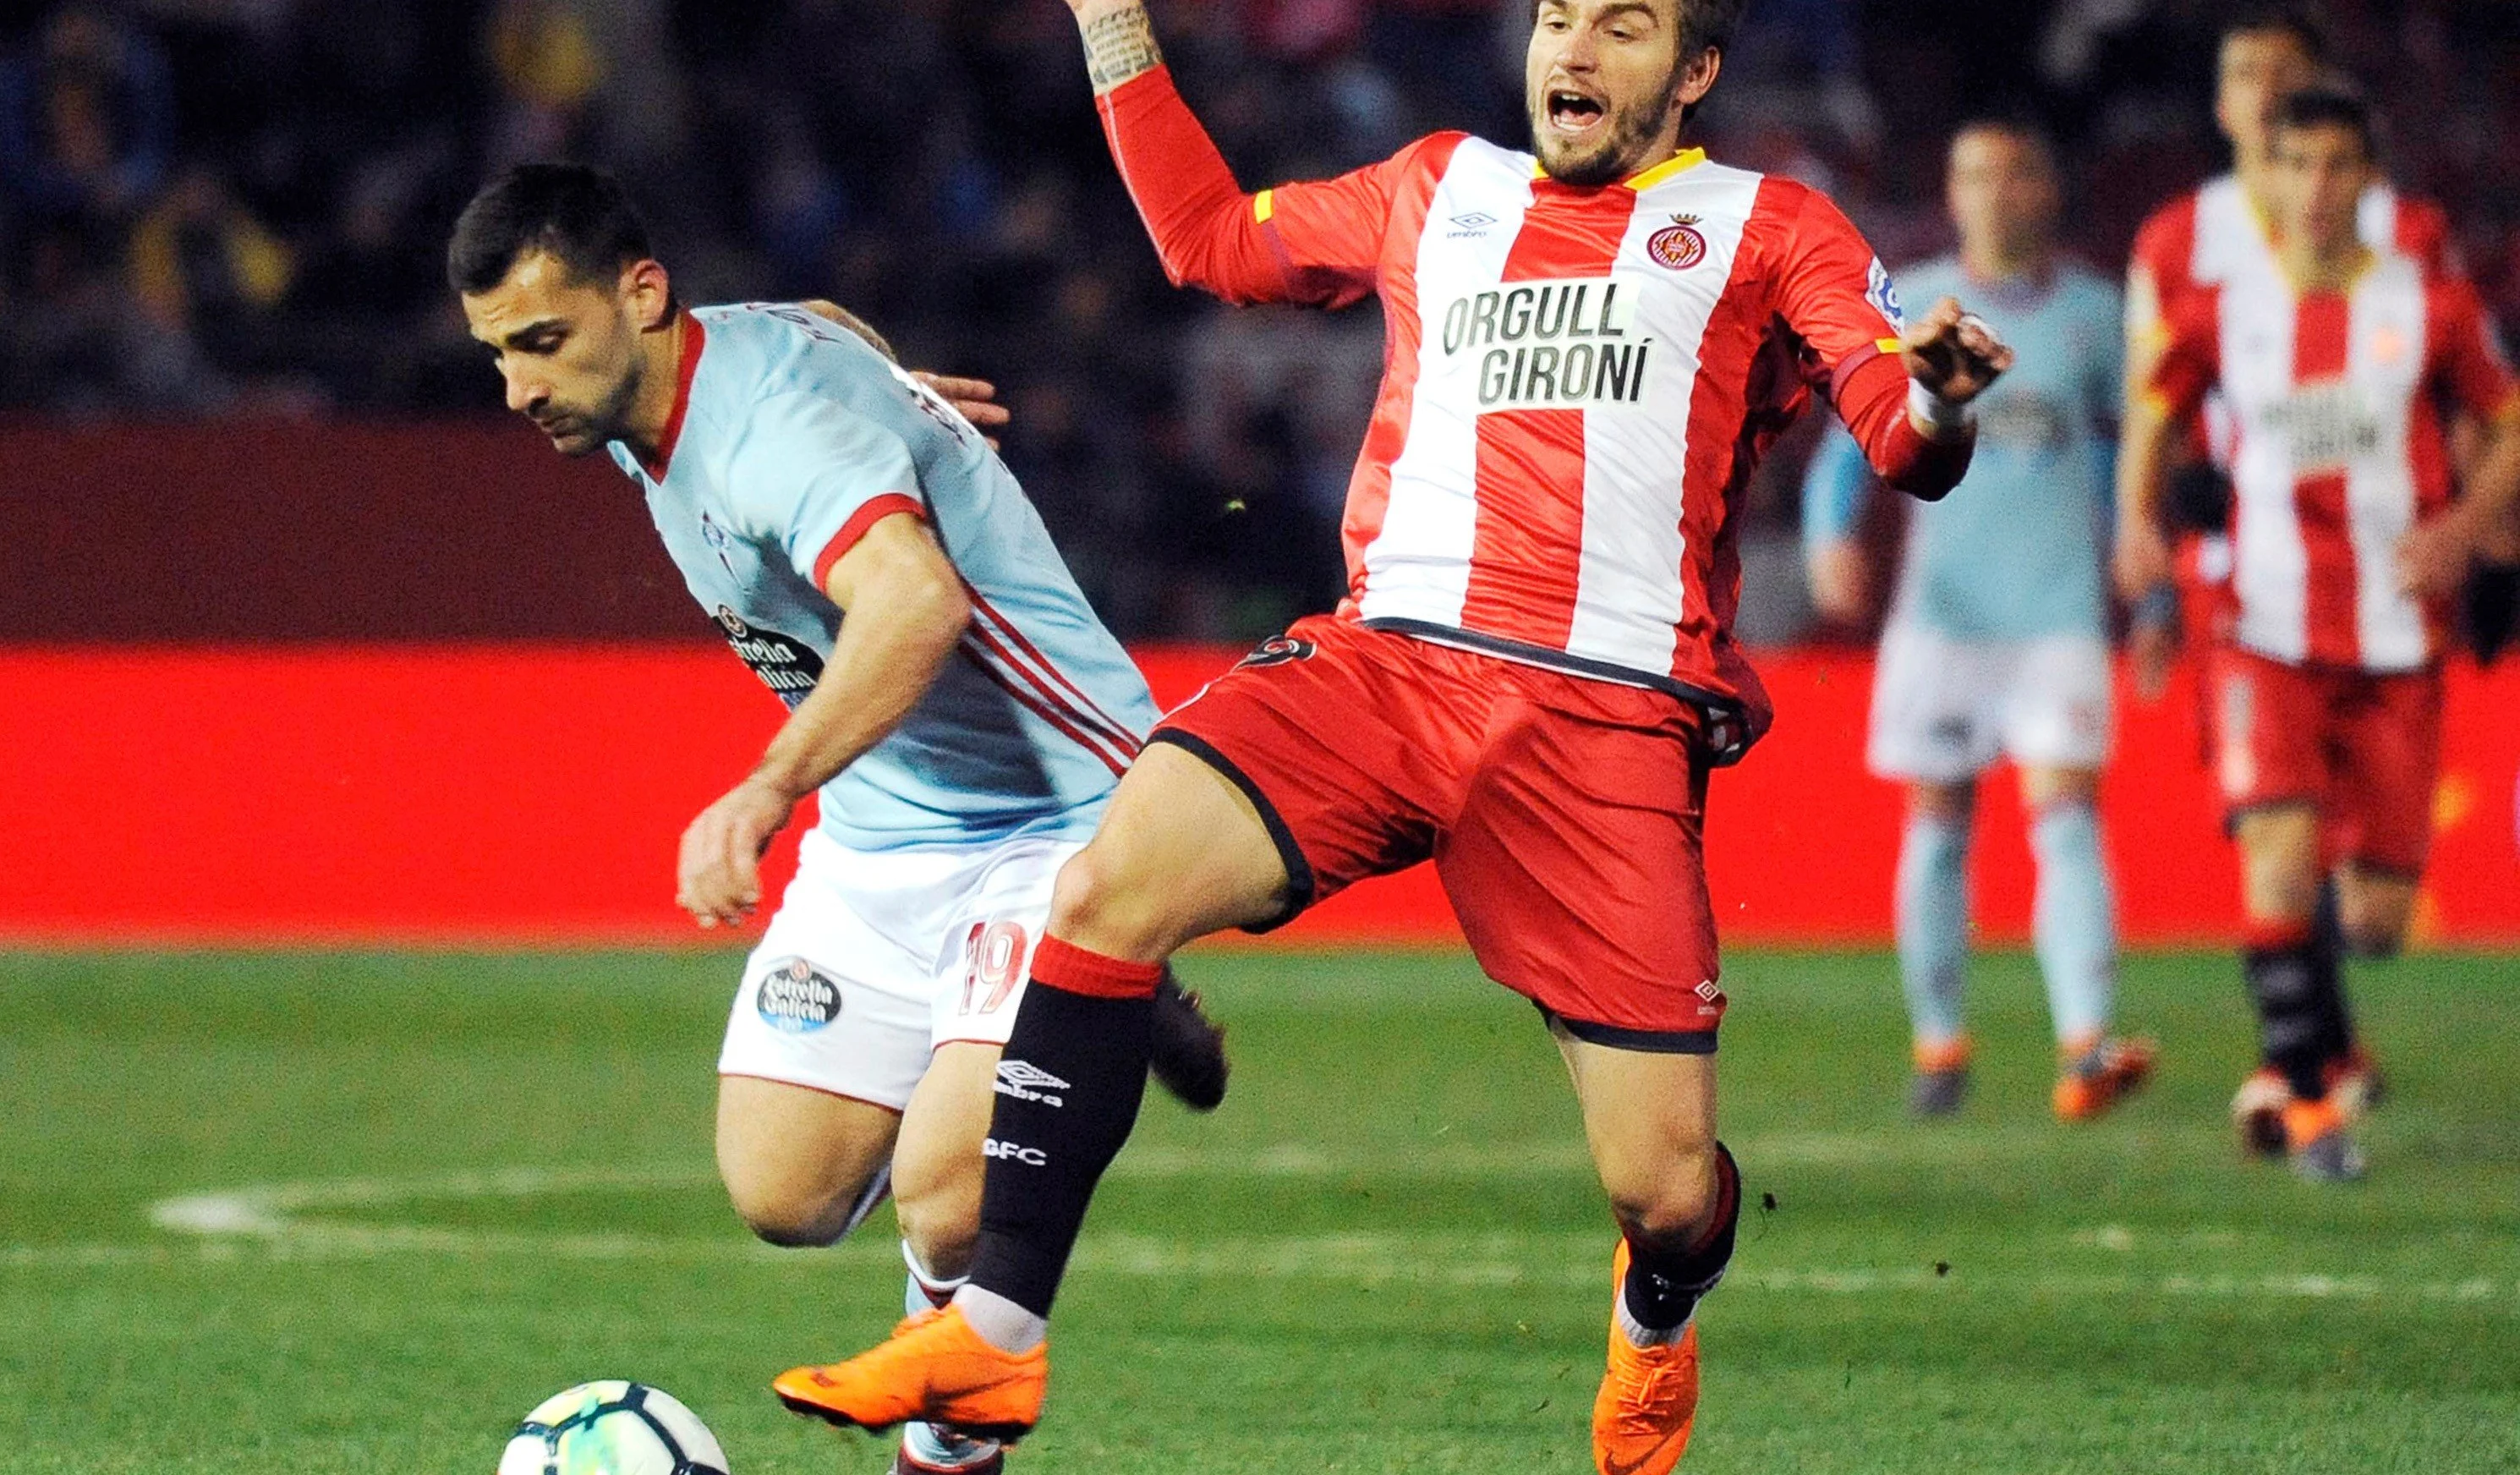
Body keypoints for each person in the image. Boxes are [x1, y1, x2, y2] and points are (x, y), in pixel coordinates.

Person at [773, 3, 2011, 1471]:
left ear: (1694, 74)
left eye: (1624, 27)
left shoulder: (1772, 222)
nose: (1576, 48)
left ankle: (1659, 1311)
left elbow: (1897, 432)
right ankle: (994, 1336)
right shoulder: (1438, 186)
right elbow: (1212, 242)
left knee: (1665, 1187)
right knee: (1103, 887)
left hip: (1601, 722)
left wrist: (1932, 390)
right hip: (1386, 664)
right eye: (1559, 15)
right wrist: (1114, 27)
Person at [447, 162, 1231, 1475]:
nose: (519, 389)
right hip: (887, 832)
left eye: (543, 343)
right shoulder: (685, 378)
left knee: (950, 1186)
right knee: (783, 1192)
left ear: (641, 296)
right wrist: (896, 405)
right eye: (498, 356)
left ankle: (945, 1441)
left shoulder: (771, 437)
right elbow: (807, 322)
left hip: (1056, 816)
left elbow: (919, 603)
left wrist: (767, 784)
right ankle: (1093, 1013)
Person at [2117, 88, 2520, 1181]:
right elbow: (2153, 407)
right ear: (2271, 174)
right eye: (2297, 165)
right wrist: (2136, 528)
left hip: (2396, 630)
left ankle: (2307, 1057)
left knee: (2379, 918)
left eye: (2340, 167)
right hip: (2261, 625)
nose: (2317, 189)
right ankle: (2305, 1105)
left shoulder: (2425, 302)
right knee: (2280, 862)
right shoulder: (2218, 303)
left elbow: (2507, 419)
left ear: (2369, 182)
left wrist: (2468, 527)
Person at [1803, 118, 2152, 1121]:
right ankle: (1939, 1045)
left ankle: (2085, 1044)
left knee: (2068, 816)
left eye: (2013, 173)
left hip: (2057, 608)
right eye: (1973, 176)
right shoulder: (1913, 302)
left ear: (2045, 188)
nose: (1993, 193)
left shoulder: (2096, 313)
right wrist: (1832, 533)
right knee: (1937, 823)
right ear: (1951, 194)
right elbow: (1849, 440)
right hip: (1943, 610)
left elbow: (2128, 455)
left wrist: (2153, 582)